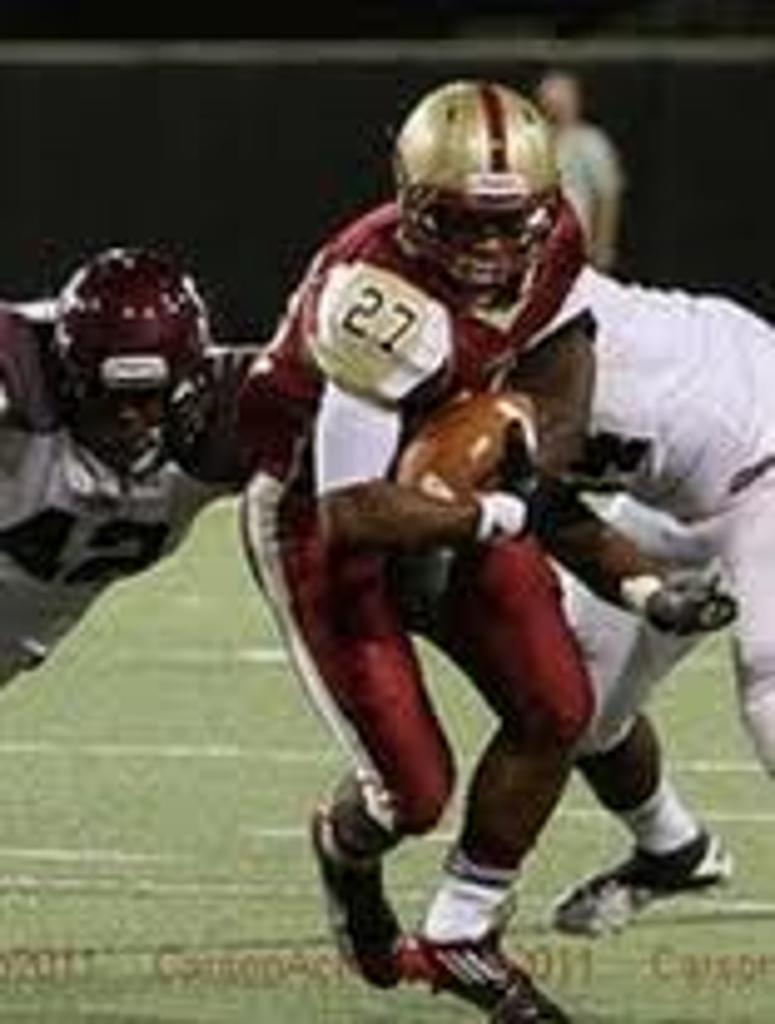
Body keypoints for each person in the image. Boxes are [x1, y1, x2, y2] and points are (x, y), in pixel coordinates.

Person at [236, 80, 731, 1023]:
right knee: (411, 794)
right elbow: (353, 511)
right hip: (320, 514)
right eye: (465, 222)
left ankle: (462, 933)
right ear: (413, 203)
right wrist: (502, 512)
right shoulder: (373, 297)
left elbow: (562, 354)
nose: (493, 248)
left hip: (454, 484)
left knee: (558, 706)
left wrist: (616, 558)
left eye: (512, 223)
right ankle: (344, 853)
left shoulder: (555, 239)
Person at [499, 260, 775, 939]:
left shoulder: (537, 297)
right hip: (671, 496)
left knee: (769, 680)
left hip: (763, 451)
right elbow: (543, 502)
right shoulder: (446, 346)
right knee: (573, 707)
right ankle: (674, 850)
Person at [0, 245, 253, 685]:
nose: (129, 417)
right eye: (108, 398)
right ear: (68, 377)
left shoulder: (224, 423)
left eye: (148, 398)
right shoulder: (20, 372)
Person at [535, 69, 625, 272]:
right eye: (549, 101)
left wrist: (603, 246)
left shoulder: (592, 142)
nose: (555, 108)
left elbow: (608, 196)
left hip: (577, 246)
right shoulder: (531, 142)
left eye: (561, 101)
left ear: (575, 102)